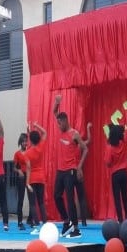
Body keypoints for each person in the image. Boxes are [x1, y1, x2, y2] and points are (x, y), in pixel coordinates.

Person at [52, 95, 88, 239]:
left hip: (71, 170)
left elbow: (85, 149)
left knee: (70, 198)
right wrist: (57, 102)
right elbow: (55, 111)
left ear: (66, 121)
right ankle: (67, 221)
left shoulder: (74, 134)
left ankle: (76, 228)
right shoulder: (60, 127)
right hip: (60, 170)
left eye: (60, 123)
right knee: (56, 196)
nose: (59, 125)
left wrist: (79, 167)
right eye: (58, 123)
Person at [104, 121, 127, 222]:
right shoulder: (123, 143)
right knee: (125, 197)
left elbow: (107, 163)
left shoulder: (110, 147)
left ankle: (120, 219)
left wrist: (113, 164)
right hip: (124, 173)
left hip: (115, 174)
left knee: (117, 198)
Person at [24, 122, 48, 235]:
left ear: (30, 140)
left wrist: (27, 183)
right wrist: (36, 125)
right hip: (41, 178)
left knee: (33, 203)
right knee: (41, 202)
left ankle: (37, 226)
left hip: (32, 179)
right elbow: (45, 132)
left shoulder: (27, 153)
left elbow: (28, 168)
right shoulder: (41, 147)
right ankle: (45, 224)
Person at [13, 133, 29, 230]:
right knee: (21, 200)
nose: (25, 143)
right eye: (23, 141)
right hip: (21, 177)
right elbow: (14, 167)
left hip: (29, 176)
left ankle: (31, 220)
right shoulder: (17, 154)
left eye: (26, 141)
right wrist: (19, 171)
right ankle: (20, 222)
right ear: (20, 142)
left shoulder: (30, 152)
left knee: (32, 198)